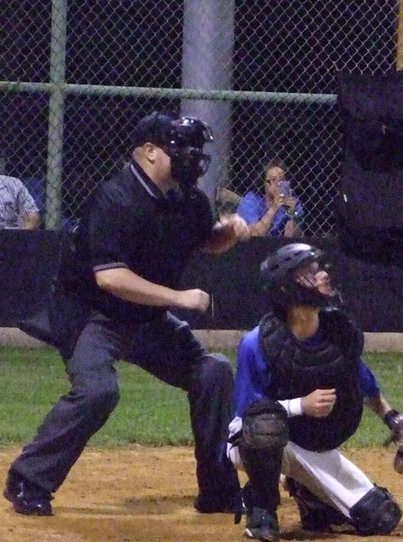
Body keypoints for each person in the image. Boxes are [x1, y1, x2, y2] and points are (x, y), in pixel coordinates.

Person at [4, 112, 248, 517]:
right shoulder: (115, 198)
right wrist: (178, 297)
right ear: (149, 152)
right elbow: (111, 278)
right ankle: (29, 478)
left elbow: (206, 242)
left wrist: (227, 234)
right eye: (181, 149)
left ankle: (219, 489)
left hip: (146, 320)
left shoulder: (188, 201)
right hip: (92, 315)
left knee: (213, 371)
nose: (192, 157)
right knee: (98, 391)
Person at [227, 242, 403, 542]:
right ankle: (261, 507)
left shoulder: (337, 333)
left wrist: (394, 420)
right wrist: (300, 406)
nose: (322, 277)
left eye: (318, 270)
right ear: (287, 289)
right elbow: (246, 416)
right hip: (256, 441)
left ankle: (310, 494)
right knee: (266, 426)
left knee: (380, 517)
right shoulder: (257, 343)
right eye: (309, 273)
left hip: (311, 446)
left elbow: (360, 379)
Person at [236, 160, 303, 238]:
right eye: (273, 180)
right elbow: (254, 234)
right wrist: (274, 208)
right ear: (263, 182)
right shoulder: (251, 200)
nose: (278, 184)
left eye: (281, 180)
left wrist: (291, 212)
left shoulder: (293, 201)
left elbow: (294, 237)